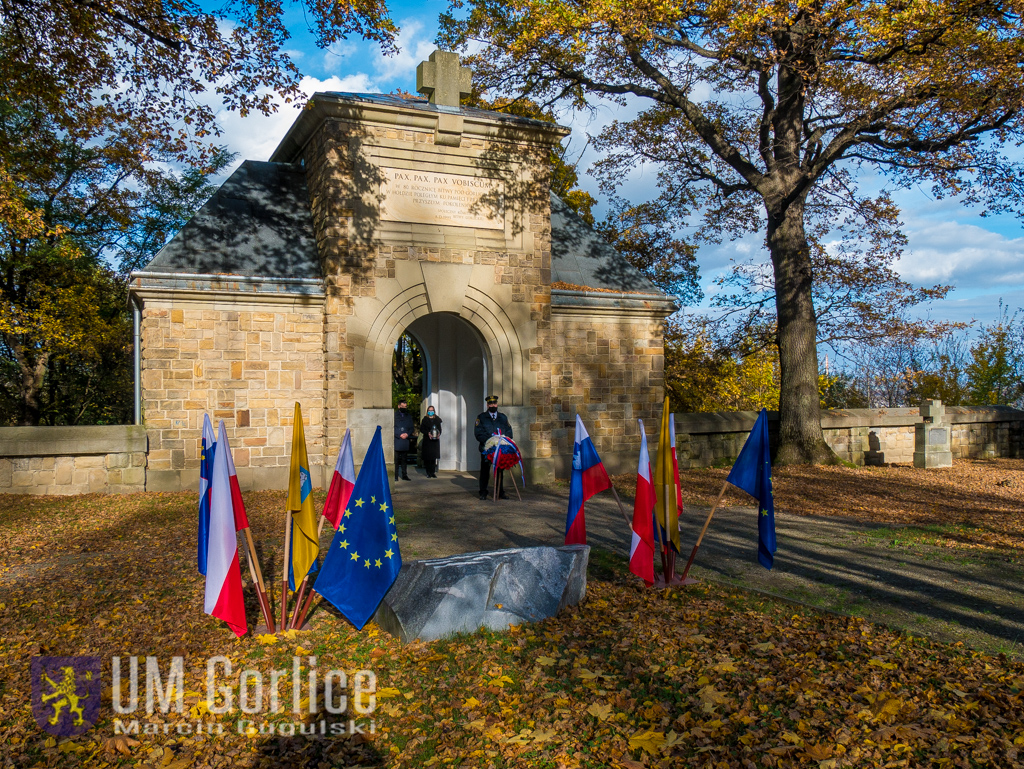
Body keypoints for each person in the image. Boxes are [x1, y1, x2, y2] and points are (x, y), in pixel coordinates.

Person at [474, 395, 513, 500]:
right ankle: (483, 492)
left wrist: (504, 441)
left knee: (500, 471)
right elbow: (478, 433)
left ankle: (500, 492)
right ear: (487, 405)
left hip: (501, 449)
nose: (493, 405)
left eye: (494, 403)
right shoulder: (481, 417)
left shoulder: (502, 417)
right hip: (486, 449)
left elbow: (509, 431)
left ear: (497, 404)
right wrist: (491, 442)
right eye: (490, 403)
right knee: (485, 471)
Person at [393, 399, 414, 481]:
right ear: (399, 406)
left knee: (404, 460)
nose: (404, 408)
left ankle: (404, 475)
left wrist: (407, 434)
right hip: (397, 440)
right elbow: (392, 427)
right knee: (396, 460)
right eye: (402, 406)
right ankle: (395, 476)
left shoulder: (408, 416)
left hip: (405, 440)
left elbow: (411, 428)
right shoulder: (394, 415)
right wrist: (399, 435)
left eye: (405, 406)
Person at [419, 405, 443, 478]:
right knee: (427, 458)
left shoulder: (437, 420)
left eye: (432, 410)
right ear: (427, 412)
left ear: (434, 411)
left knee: (433, 458)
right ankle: (428, 472)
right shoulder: (425, 420)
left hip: (435, 442)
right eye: (429, 411)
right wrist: (428, 433)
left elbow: (439, 429)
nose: (430, 412)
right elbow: (422, 429)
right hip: (427, 441)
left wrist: (438, 434)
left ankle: (433, 472)